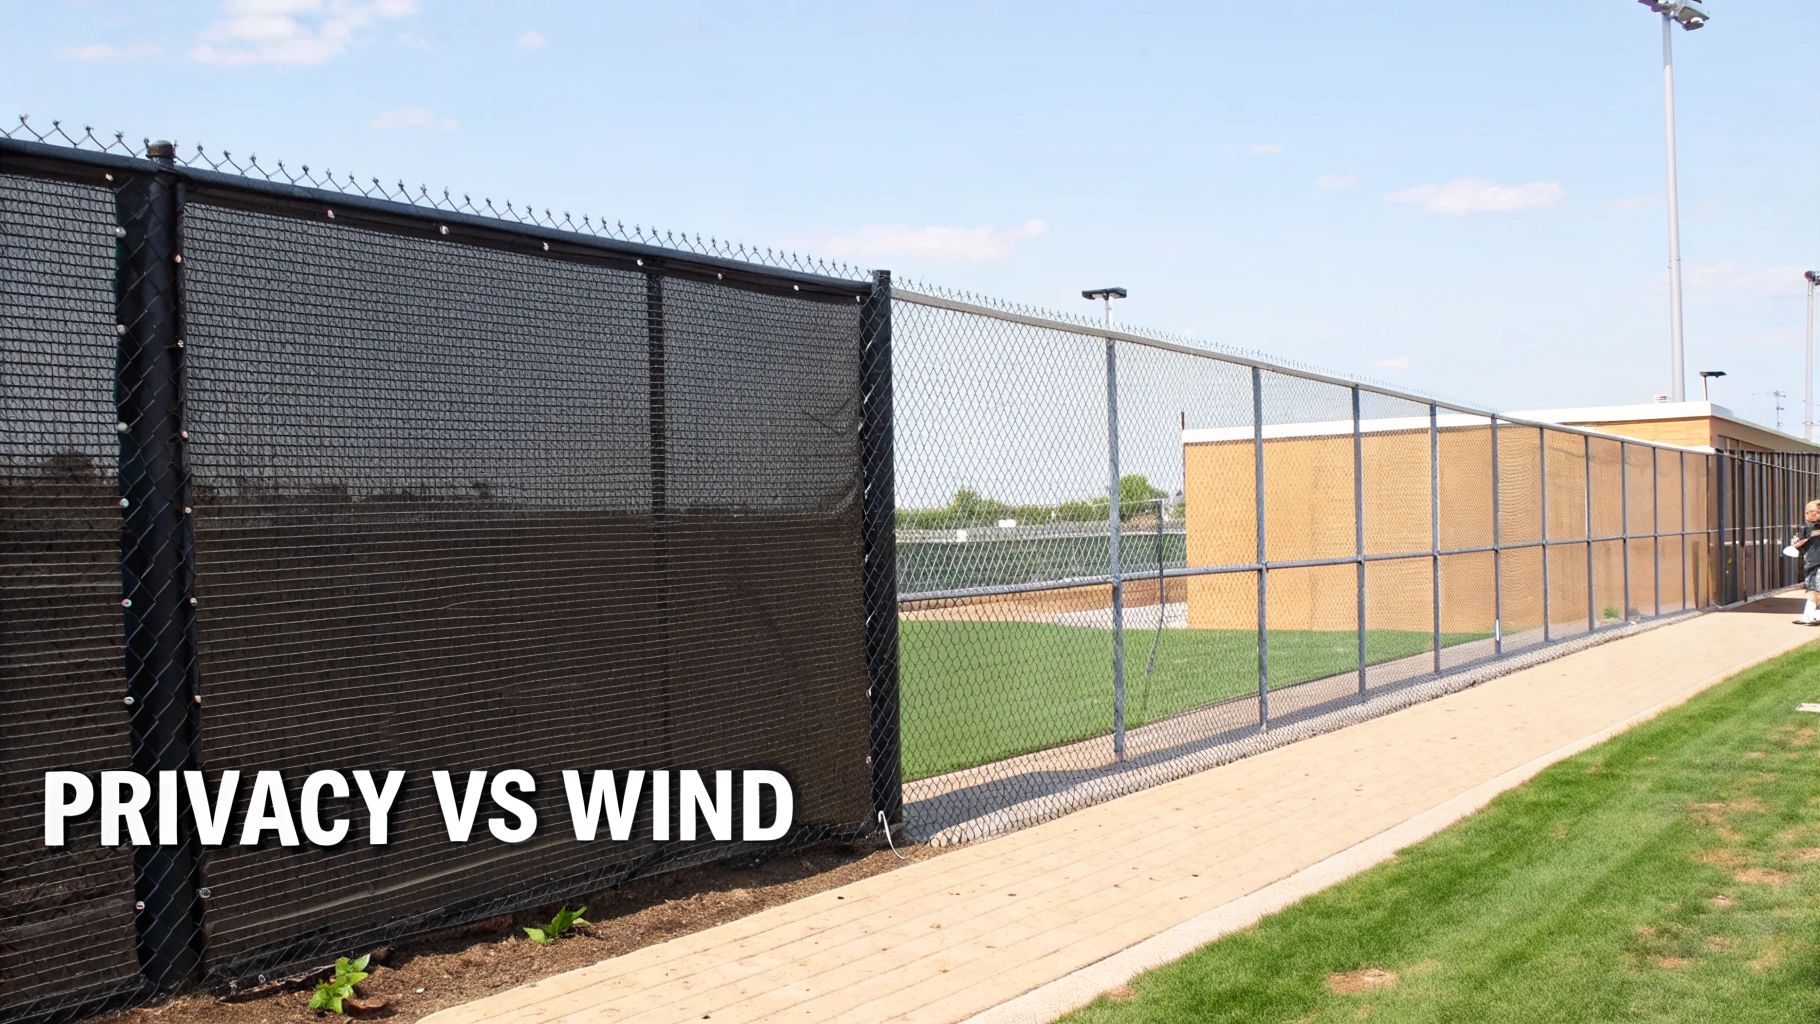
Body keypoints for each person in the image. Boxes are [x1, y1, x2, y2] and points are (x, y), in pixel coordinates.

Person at [1787, 500, 1820, 625]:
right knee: (1813, 589)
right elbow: (1800, 545)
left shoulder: (1814, 528)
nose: (1808, 514)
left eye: (1811, 512)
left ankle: (1811, 616)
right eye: (1807, 512)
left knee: (1815, 589)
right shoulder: (1806, 529)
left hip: (1817, 563)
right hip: (1811, 563)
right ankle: (1808, 616)